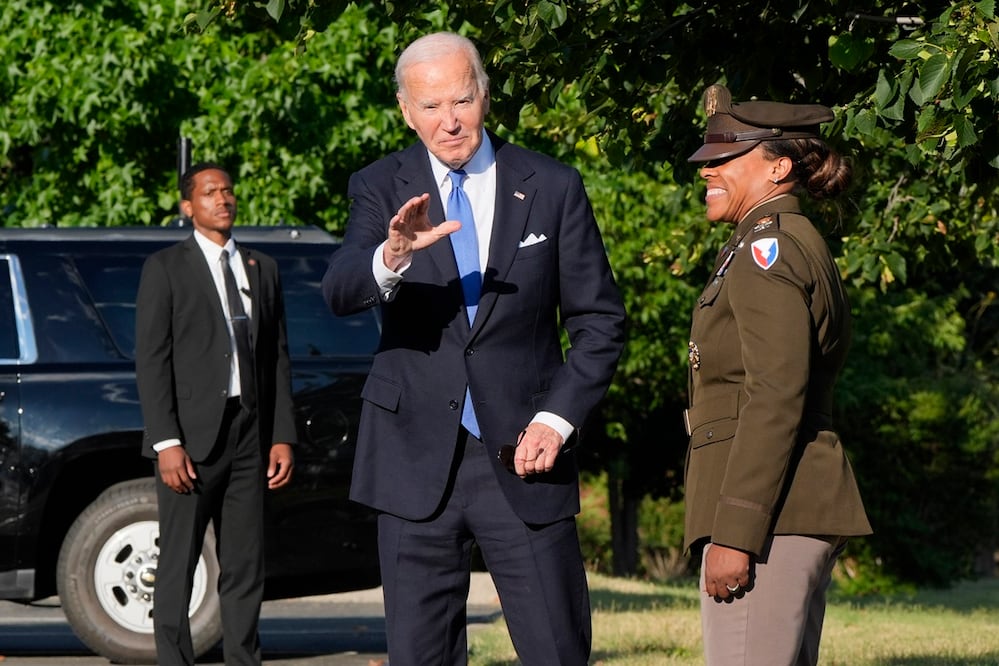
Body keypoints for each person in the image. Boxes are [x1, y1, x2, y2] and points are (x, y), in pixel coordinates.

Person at [321, 31, 625, 666]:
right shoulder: (379, 186)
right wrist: (392, 255)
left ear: (485, 95)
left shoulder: (552, 184)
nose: (449, 121)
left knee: (556, 650)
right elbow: (341, 289)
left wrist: (556, 419)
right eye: (430, 106)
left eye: (461, 100)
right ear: (406, 111)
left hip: (525, 454)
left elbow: (599, 323)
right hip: (411, 459)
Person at [682, 83, 873, 665]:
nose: (707, 171)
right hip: (782, 512)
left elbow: (774, 395)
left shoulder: (768, 251)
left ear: (778, 167)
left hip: (771, 519)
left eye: (725, 158)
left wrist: (736, 531)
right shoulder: (772, 242)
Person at [135, 162, 296, 665]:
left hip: (251, 433)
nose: (222, 199)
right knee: (179, 562)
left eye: (227, 191)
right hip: (190, 440)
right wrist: (166, 441)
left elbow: (277, 357)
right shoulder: (166, 267)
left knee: (245, 564)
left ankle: (244, 660)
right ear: (188, 207)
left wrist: (282, 435)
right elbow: (152, 360)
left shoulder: (261, 268)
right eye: (209, 192)